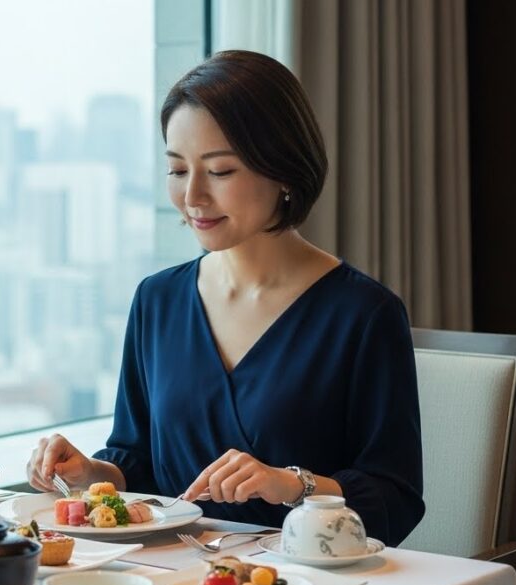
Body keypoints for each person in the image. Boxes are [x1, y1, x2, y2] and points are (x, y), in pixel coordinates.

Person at [25, 50, 425, 546]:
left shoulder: (364, 315)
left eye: (219, 171)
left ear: (282, 169)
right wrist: (92, 473)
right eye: (177, 170)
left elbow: (397, 498)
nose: (193, 196)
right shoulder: (158, 301)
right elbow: (140, 463)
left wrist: (290, 485)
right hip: (173, 583)